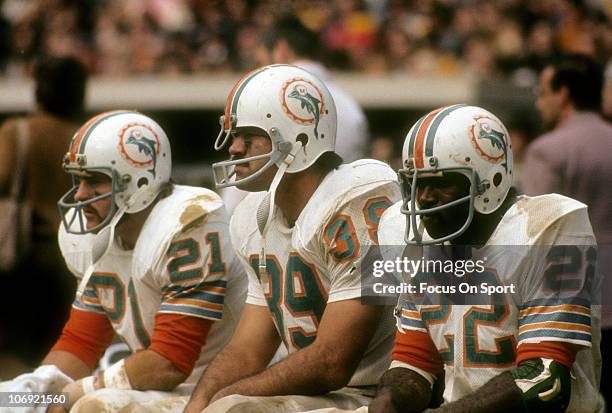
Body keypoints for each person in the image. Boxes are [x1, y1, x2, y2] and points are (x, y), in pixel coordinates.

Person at [185, 64, 400, 413]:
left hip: (375, 396)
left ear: (298, 142)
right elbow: (247, 351)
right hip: (320, 394)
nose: (234, 149)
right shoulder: (254, 216)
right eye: (233, 135)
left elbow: (333, 361)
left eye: (248, 137)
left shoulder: (355, 202)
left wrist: (229, 397)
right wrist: (199, 402)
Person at [0, 111, 246, 412]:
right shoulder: (98, 235)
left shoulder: (187, 223)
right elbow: (80, 343)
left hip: (219, 387)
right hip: (154, 387)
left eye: (94, 181)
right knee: (11, 403)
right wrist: (35, 391)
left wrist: (76, 391)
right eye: (78, 180)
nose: (79, 194)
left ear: (138, 181)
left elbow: (169, 363)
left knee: (92, 405)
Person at [369, 105, 603, 412]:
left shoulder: (548, 228)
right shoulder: (421, 241)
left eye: (440, 183)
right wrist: (389, 400)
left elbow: (545, 381)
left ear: (488, 180)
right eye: (416, 183)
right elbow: (414, 361)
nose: (423, 198)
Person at [522, 54, 612, 402]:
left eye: (541, 91)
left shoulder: (548, 150)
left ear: (562, 94)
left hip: (575, 304)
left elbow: (536, 234)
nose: (538, 101)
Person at [0, 55, 87, 377]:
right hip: (73, 259)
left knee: (15, 357)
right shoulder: (84, 135)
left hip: (24, 257)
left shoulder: (18, 131)